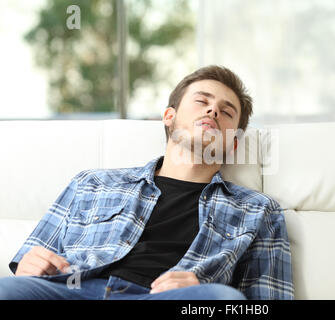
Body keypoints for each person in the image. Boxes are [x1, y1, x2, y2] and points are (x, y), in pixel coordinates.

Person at [0, 65, 294, 300]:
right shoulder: (91, 183)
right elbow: (31, 257)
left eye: (227, 111)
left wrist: (198, 287)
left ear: (233, 144)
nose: (213, 111)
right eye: (202, 101)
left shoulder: (258, 211)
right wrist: (29, 264)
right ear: (169, 116)